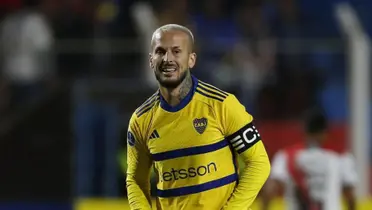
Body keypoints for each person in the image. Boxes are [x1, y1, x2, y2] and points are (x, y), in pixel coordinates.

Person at [126, 24, 271, 210]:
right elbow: (136, 180)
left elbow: (259, 163)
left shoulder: (222, 105)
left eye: (176, 51)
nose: (168, 58)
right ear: (151, 60)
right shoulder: (141, 120)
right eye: (160, 52)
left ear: (191, 59)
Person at [262, 109, 357, 210]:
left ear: (304, 131)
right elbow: (350, 195)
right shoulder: (340, 157)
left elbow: (270, 190)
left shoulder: (286, 156)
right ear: (325, 133)